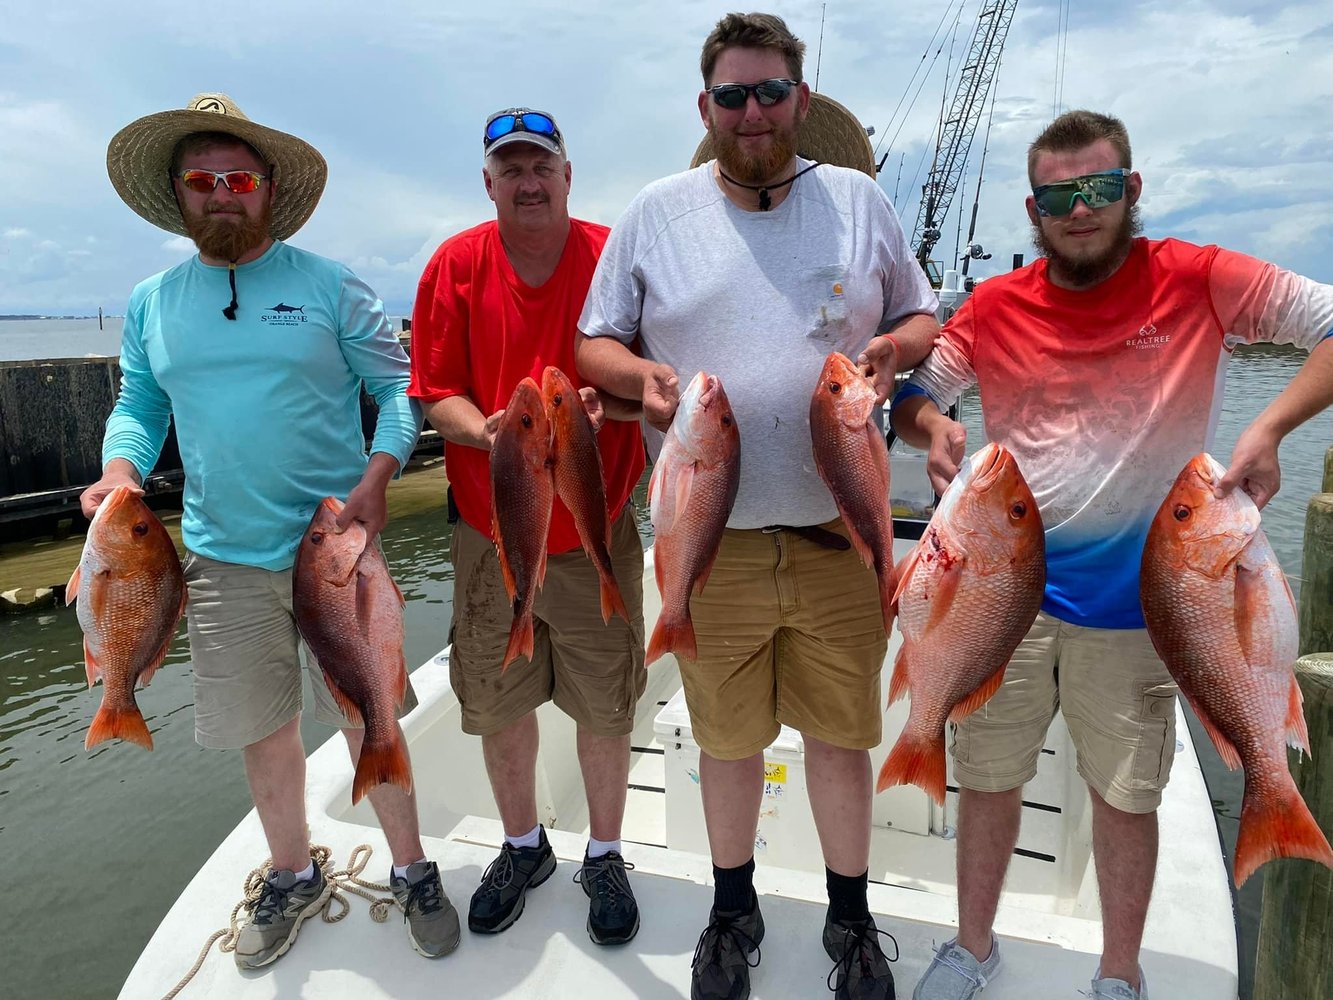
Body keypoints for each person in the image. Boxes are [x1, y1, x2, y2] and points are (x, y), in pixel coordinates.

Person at [892, 109, 1333, 1000]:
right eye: (1058, 195)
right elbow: (910, 393)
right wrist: (933, 424)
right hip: (1001, 598)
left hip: (1150, 607)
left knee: (1125, 797)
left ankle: (1119, 973)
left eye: (1097, 188)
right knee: (987, 781)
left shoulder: (1200, 277)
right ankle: (972, 948)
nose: (1078, 208)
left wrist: (1269, 427)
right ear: (1032, 207)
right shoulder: (992, 305)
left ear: (1129, 190)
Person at [576, 13, 941, 1000]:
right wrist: (642, 375)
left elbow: (920, 312)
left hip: (837, 531)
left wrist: (895, 352)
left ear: (800, 100)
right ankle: (729, 910)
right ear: (705, 107)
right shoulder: (656, 211)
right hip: (713, 544)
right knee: (727, 738)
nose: (752, 110)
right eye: (732, 94)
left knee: (839, 732)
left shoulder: (860, 201)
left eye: (770, 91)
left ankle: (850, 917)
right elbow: (593, 343)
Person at [84, 93, 459, 969]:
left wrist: (379, 475)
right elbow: (139, 406)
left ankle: (411, 868)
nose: (221, 194)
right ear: (179, 194)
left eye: (238, 178)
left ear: (269, 188)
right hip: (219, 556)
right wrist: (120, 470)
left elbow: (395, 391)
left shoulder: (327, 284)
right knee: (263, 726)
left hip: (336, 550)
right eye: (202, 180)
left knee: (371, 709)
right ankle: (292, 873)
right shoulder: (152, 300)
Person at [407, 107, 648, 946]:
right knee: (498, 700)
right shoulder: (454, 265)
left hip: (593, 525)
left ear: (567, 172)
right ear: (488, 182)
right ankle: (523, 846)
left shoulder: (612, 253)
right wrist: (486, 434)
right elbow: (434, 389)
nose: (527, 180)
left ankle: (606, 854)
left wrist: (598, 412)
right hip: (492, 526)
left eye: (539, 164)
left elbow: (644, 384)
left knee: (605, 704)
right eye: (509, 168)